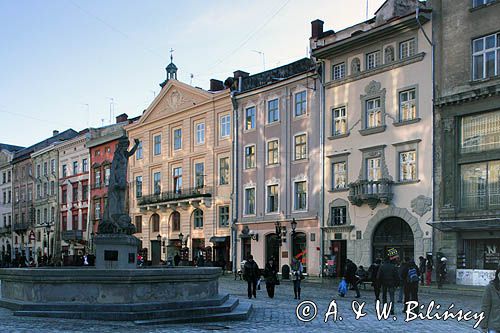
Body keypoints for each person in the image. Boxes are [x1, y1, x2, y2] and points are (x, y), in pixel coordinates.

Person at [480, 266, 500, 333]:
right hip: (494, 327)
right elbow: (485, 307)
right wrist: (483, 326)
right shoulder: (490, 288)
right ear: (498, 274)